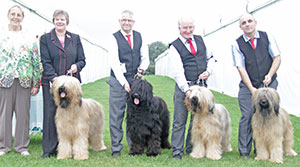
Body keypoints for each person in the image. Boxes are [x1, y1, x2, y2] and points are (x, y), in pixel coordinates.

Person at [231, 13, 281, 158]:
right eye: (244, 23)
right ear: (240, 27)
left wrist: (270, 75)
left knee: (269, 116)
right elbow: (241, 67)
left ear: (255, 22)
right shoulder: (236, 43)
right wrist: (252, 89)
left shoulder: (267, 36)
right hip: (248, 86)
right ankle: (244, 151)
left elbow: (277, 58)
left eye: (250, 21)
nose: (247, 24)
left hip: (269, 84)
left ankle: (267, 149)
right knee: (247, 116)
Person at [40, 9, 86, 158]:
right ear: (53, 21)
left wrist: (76, 67)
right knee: (51, 114)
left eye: (63, 20)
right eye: (57, 19)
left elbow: (82, 60)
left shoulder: (75, 38)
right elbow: (45, 61)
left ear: (67, 22)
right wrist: (54, 79)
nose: (60, 22)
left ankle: (72, 147)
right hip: (52, 84)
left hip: (71, 85)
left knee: (72, 115)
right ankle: (49, 149)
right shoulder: (46, 39)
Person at [169, 17, 214, 160]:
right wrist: (186, 90)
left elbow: (211, 58)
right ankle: (177, 150)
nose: (188, 30)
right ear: (179, 29)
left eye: (190, 27)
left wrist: (208, 71)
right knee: (179, 120)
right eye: (185, 28)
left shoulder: (201, 40)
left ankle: (191, 147)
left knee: (197, 120)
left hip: (201, 87)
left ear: (194, 27)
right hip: (185, 86)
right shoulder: (174, 46)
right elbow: (177, 71)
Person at [0, 5, 43, 156]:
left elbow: (36, 61)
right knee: (4, 114)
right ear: (8, 16)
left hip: (25, 79)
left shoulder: (30, 37)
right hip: (5, 79)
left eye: (18, 15)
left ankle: (22, 147)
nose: (15, 17)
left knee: (23, 115)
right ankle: (3, 146)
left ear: (22, 17)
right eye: (13, 14)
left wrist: (36, 83)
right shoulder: (2, 35)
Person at [107, 10, 149, 157]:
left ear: (133, 22)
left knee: (135, 116)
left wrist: (142, 70)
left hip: (135, 80)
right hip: (118, 81)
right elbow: (114, 63)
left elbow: (145, 58)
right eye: (124, 20)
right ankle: (116, 148)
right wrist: (124, 83)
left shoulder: (139, 36)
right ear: (119, 21)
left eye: (129, 20)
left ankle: (135, 146)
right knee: (117, 116)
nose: (126, 23)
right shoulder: (114, 38)